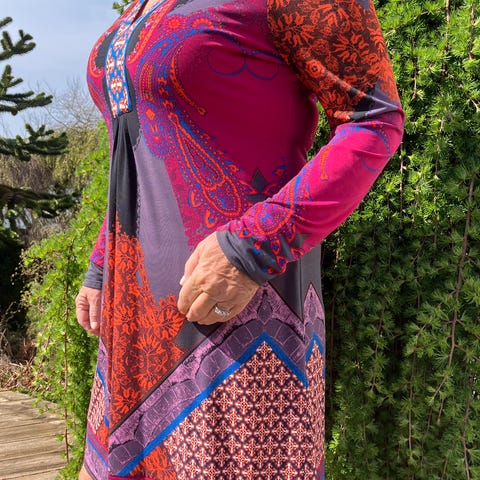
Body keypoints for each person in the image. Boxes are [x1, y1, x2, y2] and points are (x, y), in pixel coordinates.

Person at [75, 0, 404, 477]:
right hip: (134, 323)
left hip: (237, 318)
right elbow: (132, 146)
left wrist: (255, 246)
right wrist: (102, 262)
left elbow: (374, 121)